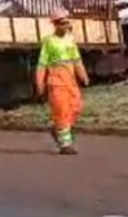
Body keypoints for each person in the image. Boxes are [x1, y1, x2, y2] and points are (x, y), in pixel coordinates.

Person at [35, 8, 90, 154]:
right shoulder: (49, 42)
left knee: (76, 106)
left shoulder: (70, 39)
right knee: (62, 111)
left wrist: (83, 76)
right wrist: (39, 84)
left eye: (66, 22)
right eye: (61, 23)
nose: (64, 25)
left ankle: (58, 129)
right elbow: (42, 65)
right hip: (56, 82)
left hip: (70, 81)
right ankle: (65, 145)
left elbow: (77, 60)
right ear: (55, 24)